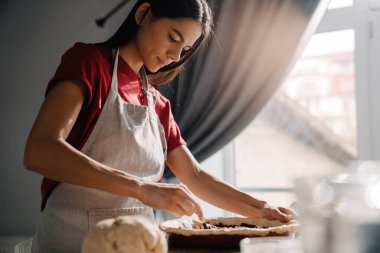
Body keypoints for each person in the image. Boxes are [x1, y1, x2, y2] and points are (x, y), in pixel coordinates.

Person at [24, 0, 294, 252]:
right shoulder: (90, 62)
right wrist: (142, 189)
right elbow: (40, 150)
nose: (175, 55)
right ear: (143, 14)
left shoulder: (158, 105)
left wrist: (262, 208)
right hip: (70, 243)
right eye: (173, 38)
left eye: (185, 49)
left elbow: (196, 176)